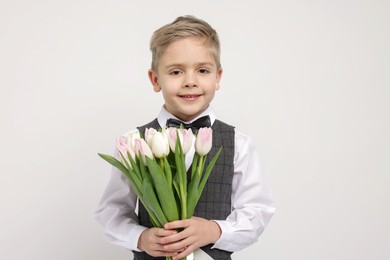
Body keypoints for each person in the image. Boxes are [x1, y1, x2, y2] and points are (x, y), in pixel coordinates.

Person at [94, 15, 275, 260]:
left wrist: (215, 230)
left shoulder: (238, 143)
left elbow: (258, 211)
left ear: (218, 77)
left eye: (202, 70)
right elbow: (111, 211)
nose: (190, 82)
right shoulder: (133, 144)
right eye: (176, 71)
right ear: (155, 79)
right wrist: (140, 237)